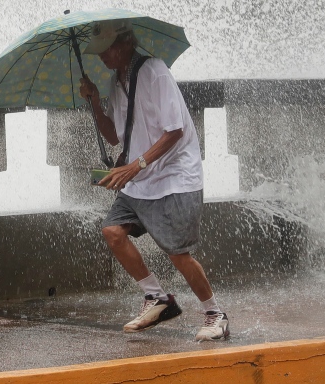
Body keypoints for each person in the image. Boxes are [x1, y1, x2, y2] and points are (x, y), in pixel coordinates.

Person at [79, 18, 229, 342]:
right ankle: (158, 297)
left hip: (175, 176)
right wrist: (92, 100)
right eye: (99, 51)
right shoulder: (114, 82)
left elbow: (174, 130)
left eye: (106, 49)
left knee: (177, 252)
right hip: (142, 179)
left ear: (125, 44)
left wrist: (136, 166)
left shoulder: (154, 71)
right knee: (113, 232)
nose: (102, 57)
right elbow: (115, 136)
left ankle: (215, 313)